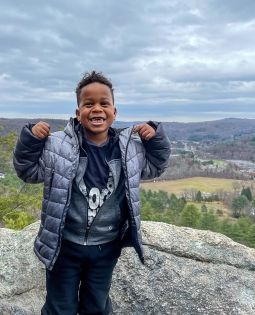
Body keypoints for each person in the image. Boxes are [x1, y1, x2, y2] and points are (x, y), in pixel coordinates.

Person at [13, 71, 170, 315]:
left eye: (104, 103)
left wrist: (155, 139)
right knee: (59, 308)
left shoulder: (130, 149)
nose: (97, 109)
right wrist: (30, 141)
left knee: (96, 306)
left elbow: (156, 167)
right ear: (78, 113)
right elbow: (28, 172)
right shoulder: (58, 146)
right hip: (64, 246)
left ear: (114, 112)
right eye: (89, 104)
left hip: (105, 247)